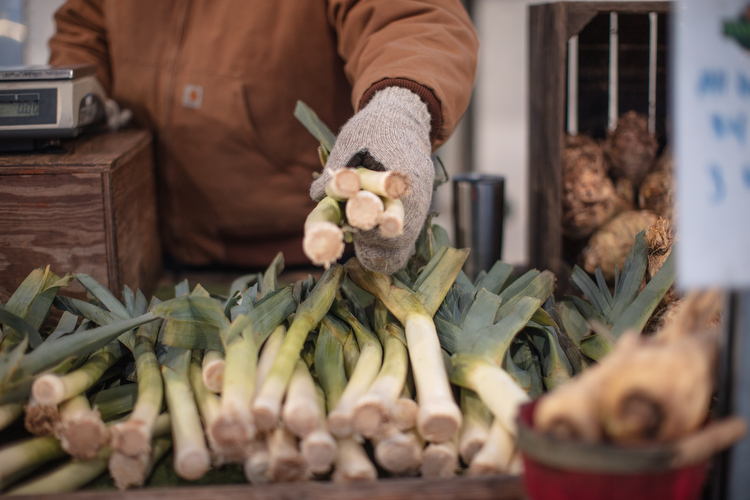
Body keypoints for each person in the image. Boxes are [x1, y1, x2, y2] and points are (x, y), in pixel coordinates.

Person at [49, 0, 479, 273]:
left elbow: (414, 18)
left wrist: (400, 103)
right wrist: (84, 97)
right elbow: (83, 27)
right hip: (150, 255)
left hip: (313, 262)